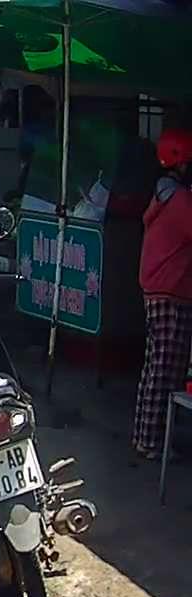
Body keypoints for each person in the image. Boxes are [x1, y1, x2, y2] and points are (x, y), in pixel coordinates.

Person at [132, 127, 192, 460]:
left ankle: (146, 438)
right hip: (171, 291)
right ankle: (153, 443)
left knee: (155, 370)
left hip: (159, 291)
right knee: (166, 372)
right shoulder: (180, 200)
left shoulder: (162, 195)